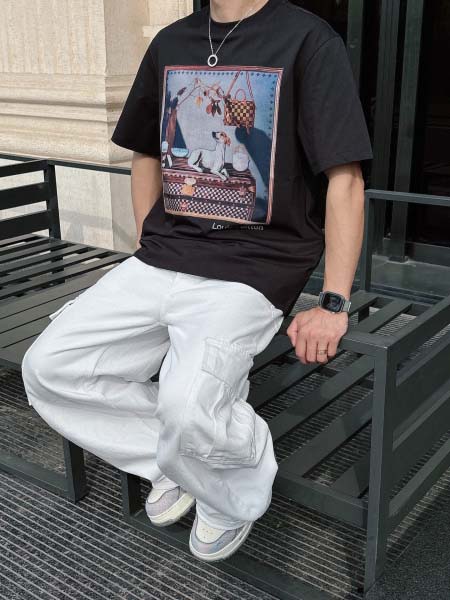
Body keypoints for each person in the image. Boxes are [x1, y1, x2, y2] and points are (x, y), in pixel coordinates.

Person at [21, 0, 373, 563]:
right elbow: (146, 153)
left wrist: (333, 300)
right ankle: (176, 462)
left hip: (254, 267)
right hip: (164, 255)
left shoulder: (308, 41)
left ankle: (231, 493)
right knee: (48, 368)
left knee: (188, 407)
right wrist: (150, 241)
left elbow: (345, 178)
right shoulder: (171, 42)